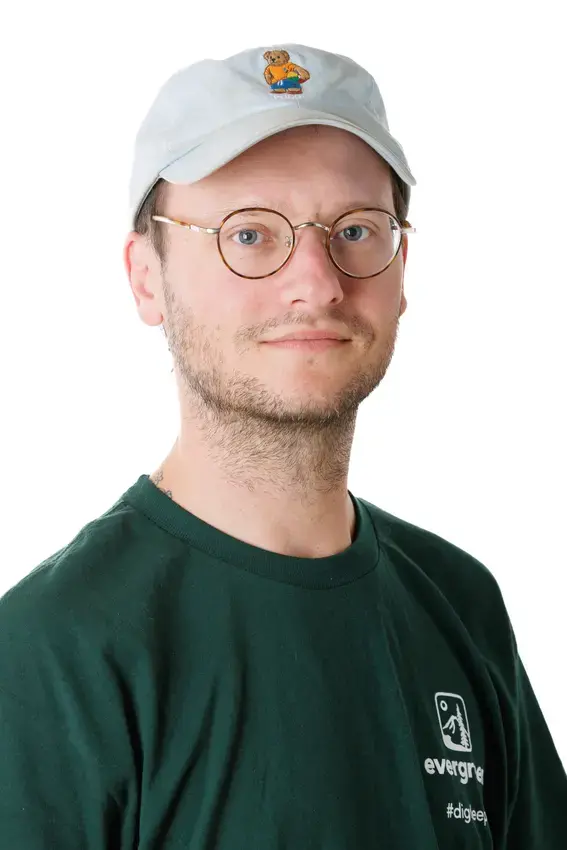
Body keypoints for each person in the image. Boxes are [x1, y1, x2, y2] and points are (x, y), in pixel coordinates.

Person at [0, 42, 565, 849]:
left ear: (402, 274)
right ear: (147, 279)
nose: (317, 280)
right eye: (250, 235)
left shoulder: (460, 606)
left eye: (356, 230)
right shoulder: (51, 654)